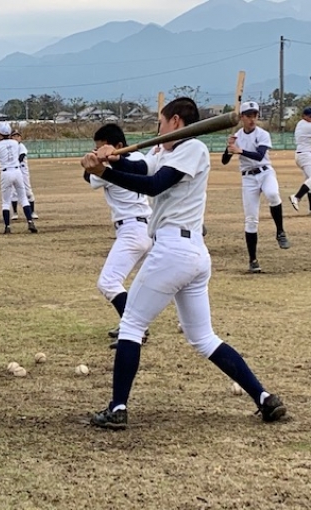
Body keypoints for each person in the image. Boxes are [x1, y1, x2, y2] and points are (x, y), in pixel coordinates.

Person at [80, 97, 286, 430]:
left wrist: (104, 171)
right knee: (203, 337)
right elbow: (140, 169)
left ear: (175, 121)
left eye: (161, 122)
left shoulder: (193, 149)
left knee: (131, 326)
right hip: (188, 254)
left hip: (174, 250)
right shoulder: (165, 152)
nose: (158, 128)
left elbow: (153, 185)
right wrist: (113, 158)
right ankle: (264, 398)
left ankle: (117, 408)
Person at [84, 124, 152, 349]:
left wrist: (94, 162)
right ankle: (130, 324)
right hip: (147, 228)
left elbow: (89, 177)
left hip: (132, 230)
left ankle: (136, 329)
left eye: (102, 148)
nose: (99, 153)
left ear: (119, 146)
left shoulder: (110, 167)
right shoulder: (140, 158)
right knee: (140, 285)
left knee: (108, 282)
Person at [222, 101, 290, 274]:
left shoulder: (262, 134)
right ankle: (253, 260)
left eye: (255, 115)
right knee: (251, 220)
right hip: (248, 178)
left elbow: (260, 156)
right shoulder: (237, 136)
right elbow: (224, 161)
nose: (252, 119)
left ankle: (280, 232)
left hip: (265, 172)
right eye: (248, 116)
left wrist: (239, 151)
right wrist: (229, 148)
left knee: (273, 194)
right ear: (242, 117)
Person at [0, 123, 37, 234]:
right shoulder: (15, 143)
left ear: (0, 134)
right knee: (23, 198)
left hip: (6, 173)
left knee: (5, 202)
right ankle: (30, 221)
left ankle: (7, 226)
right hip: (17, 172)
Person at [9, 131, 38, 220]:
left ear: (20, 138)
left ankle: (32, 212)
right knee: (14, 193)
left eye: (18, 136)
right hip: (13, 173)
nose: (16, 138)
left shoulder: (21, 146)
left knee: (28, 192)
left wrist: (14, 163)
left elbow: (21, 157)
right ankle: (15, 213)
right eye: (14, 136)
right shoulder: (9, 148)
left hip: (23, 173)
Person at [289, 106, 311, 214]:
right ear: (304, 116)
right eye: (310, 116)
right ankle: (297, 197)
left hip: (302, 155)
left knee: (309, 182)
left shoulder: (300, 123)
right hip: (305, 156)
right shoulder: (307, 126)